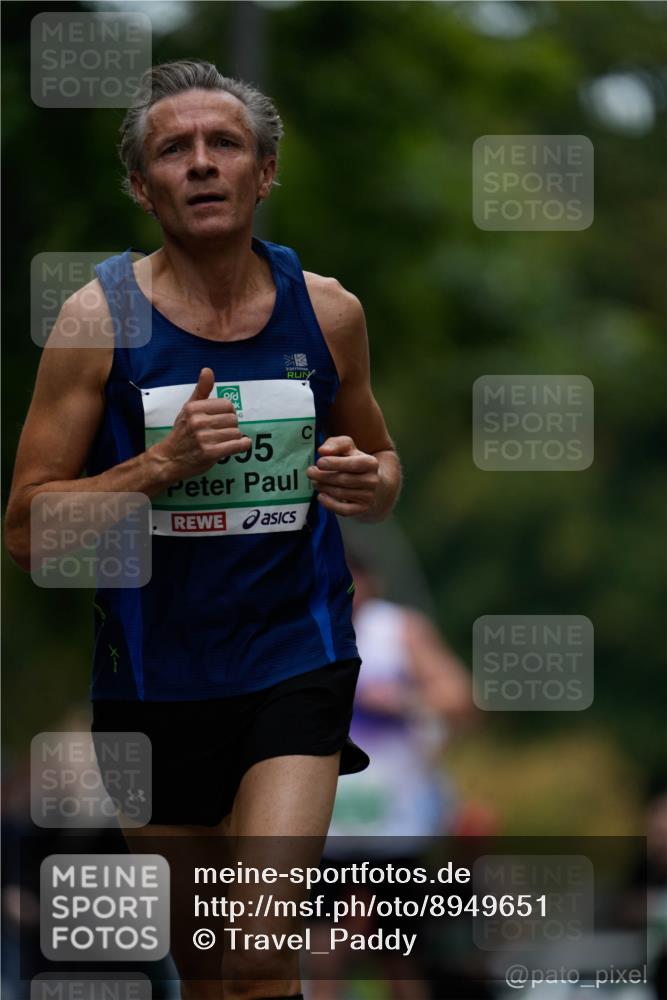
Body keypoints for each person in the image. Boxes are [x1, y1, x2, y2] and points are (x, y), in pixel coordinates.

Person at [4, 60, 402, 1000]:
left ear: (264, 172)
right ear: (143, 187)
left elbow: (382, 469)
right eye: (172, 150)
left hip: (293, 658)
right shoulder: (98, 318)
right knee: (206, 967)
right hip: (151, 677)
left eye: (223, 144)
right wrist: (158, 467)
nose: (201, 164)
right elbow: (27, 532)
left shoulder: (329, 311)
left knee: (261, 955)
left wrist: (366, 479)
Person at [306, 553, 474, 998]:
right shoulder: (301, 629)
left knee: (401, 953)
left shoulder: (400, 630)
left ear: (370, 584)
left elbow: (460, 700)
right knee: (324, 950)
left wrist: (402, 700)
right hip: (327, 823)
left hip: (395, 824)